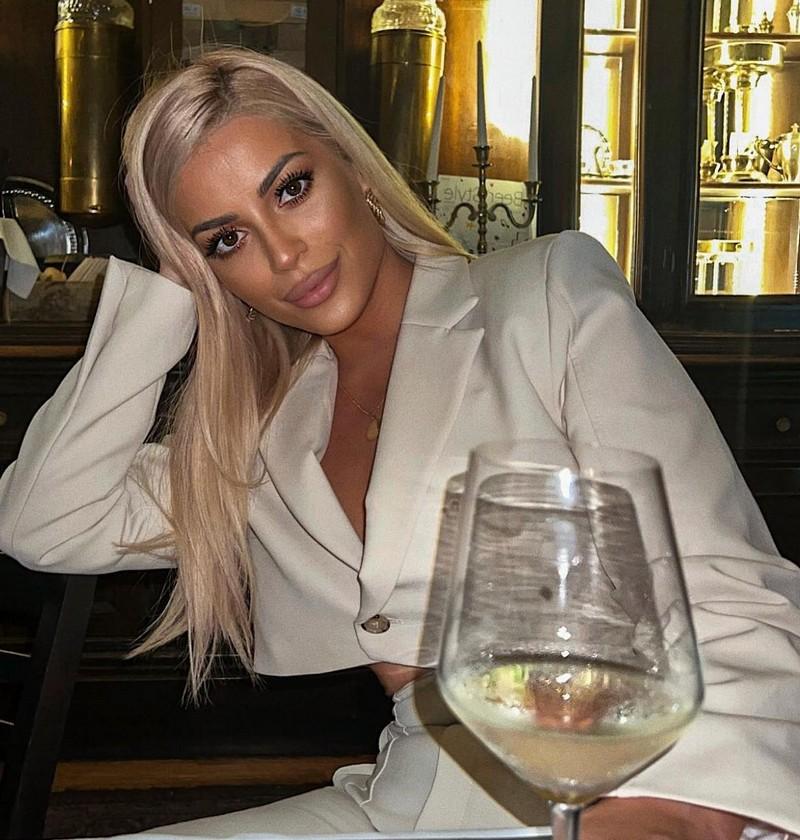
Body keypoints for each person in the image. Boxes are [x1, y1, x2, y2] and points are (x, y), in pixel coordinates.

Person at [0, 47, 798, 840]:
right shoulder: (262, 431)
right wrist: (165, 301)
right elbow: (44, 521)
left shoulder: (544, 299)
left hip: (622, 779)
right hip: (407, 794)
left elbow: (729, 598)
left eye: (291, 189)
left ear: (352, 165)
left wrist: (675, 816)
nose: (284, 255)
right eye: (227, 240)